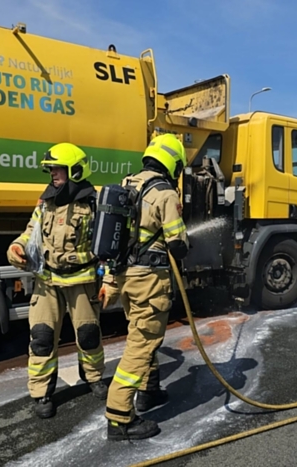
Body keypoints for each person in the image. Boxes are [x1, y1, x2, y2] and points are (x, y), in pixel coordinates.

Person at [6, 142, 108, 419]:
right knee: (41, 337)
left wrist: (108, 279)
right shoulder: (45, 202)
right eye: (50, 169)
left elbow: (110, 246)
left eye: (57, 168)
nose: (52, 173)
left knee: (88, 335)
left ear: (75, 170)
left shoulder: (96, 203)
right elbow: (31, 233)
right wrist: (16, 247)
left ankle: (95, 377)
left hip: (83, 281)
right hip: (47, 281)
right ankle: (41, 393)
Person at [104, 133, 190, 441]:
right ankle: (119, 417)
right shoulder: (165, 193)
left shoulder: (129, 184)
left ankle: (148, 391)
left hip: (126, 275)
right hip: (150, 280)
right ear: (173, 163)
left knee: (141, 334)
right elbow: (178, 242)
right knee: (142, 343)